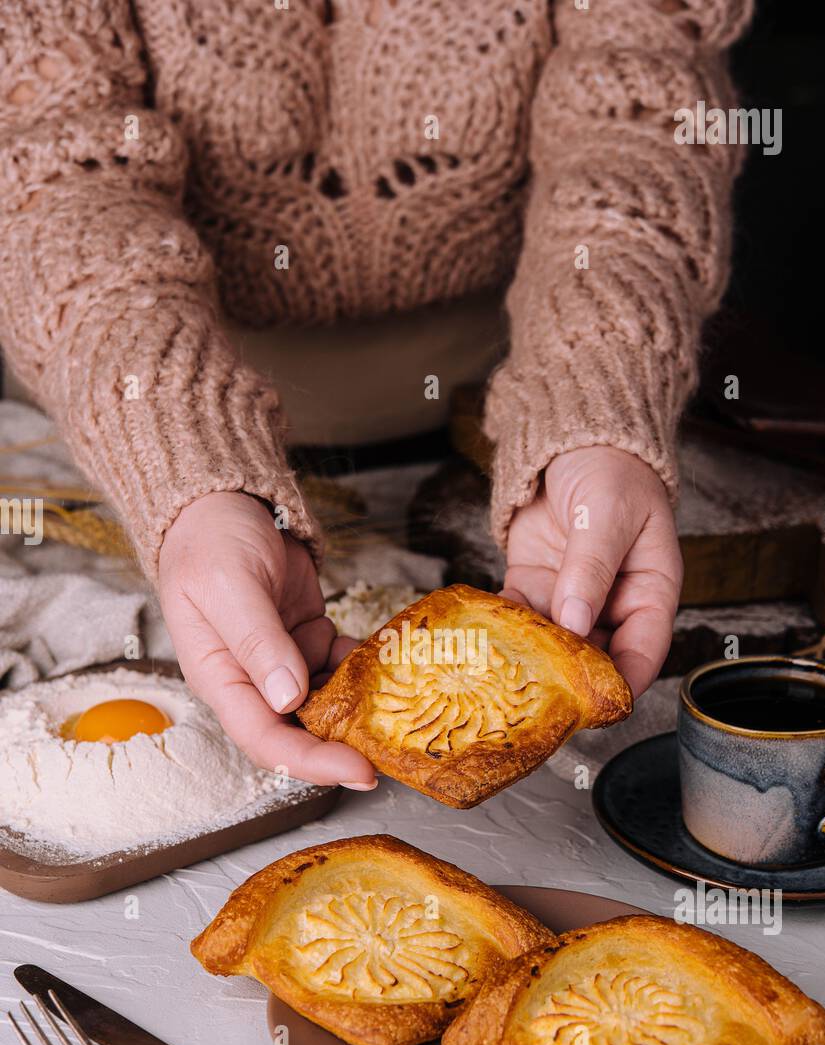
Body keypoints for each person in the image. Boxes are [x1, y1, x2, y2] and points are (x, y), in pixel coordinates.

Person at [0, 0, 752, 790]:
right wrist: (182, 469)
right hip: (128, 413)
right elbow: (56, 164)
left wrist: (598, 390)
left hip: (504, 408)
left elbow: (636, 106)